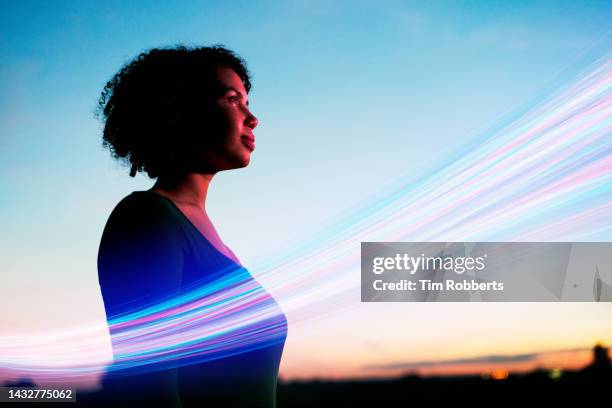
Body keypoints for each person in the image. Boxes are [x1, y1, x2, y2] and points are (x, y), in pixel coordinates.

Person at [86, 46, 287, 407]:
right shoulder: (147, 220)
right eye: (233, 100)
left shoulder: (201, 231)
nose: (252, 117)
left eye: (247, 101)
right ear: (183, 111)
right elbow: (149, 392)